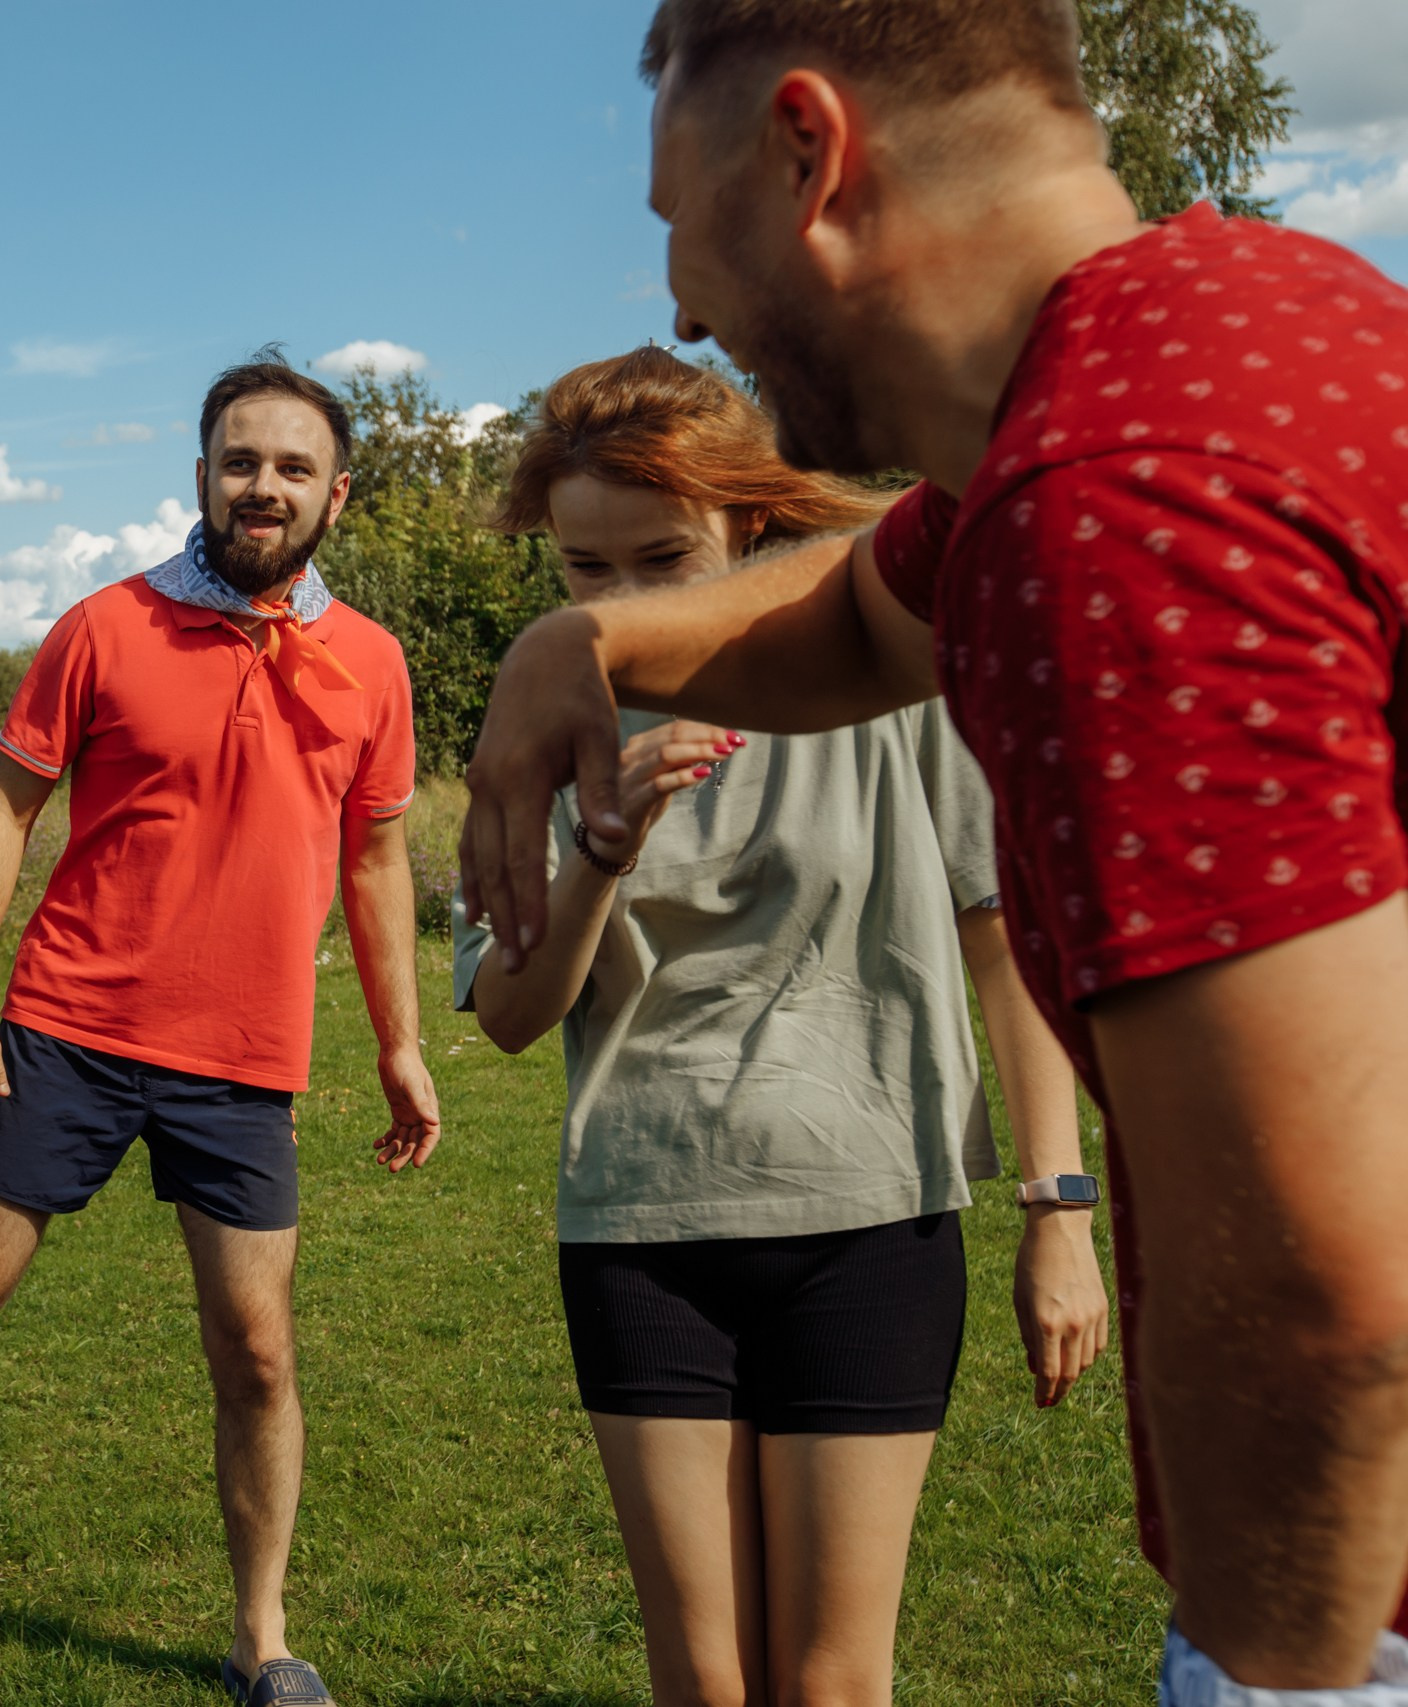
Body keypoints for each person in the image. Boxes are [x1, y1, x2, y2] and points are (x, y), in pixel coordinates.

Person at [458, 4, 1408, 1699]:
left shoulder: (1116, 501)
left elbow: (1325, 1297)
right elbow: (861, 617)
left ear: (812, 157)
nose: (684, 303)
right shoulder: (1228, 315)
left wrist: (1278, 1676)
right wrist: (575, 653)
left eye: (684, 221)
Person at [0, 351, 440, 1707]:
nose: (264, 487)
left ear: (336, 495)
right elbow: (6, 808)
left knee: (257, 1347)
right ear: (199, 476)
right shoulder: (104, 628)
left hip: (246, 1058)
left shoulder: (370, 664)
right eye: (241, 461)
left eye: (293, 468)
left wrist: (399, 1041)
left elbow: (378, 861)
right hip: (68, 1023)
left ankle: (262, 1635)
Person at [453, 348, 1105, 1706]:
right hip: (643, 1226)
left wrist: (1060, 1210)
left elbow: (1008, 942)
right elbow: (514, 1015)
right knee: (704, 1679)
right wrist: (603, 853)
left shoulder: (882, 676)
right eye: (588, 571)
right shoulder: (543, 724)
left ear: (748, 529)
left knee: (833, 1682)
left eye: (662, 559)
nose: (623, 604)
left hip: (869, 1218)